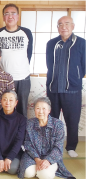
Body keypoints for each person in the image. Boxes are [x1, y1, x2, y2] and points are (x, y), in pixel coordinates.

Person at [46, 16, 86, 158]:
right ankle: (52, 145)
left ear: (73, 26)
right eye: (60, 24)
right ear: (57, 27)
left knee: (72, 120)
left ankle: (70, 147)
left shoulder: (82, 43)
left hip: (72, 89)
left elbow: (84, 66)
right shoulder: (51, 43)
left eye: (67, 24)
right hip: (54, 89)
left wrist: (75, 76)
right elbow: (49, 64)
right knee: (52, 120)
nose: (64, 26)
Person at [18, 97, 76, 179]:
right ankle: (38, 168)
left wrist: (47, 160)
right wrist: (37, 160)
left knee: (45, 175)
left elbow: (58, 147)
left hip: (50, 156)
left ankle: (46, 168)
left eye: (44, 108)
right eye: (38, 108)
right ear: (34, 110)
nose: (41, 111)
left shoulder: (58, 124)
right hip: (33, 156)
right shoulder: (29, 123)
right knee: (27, 173)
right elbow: (28, 144)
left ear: (49, 110)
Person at [0, 3, 33, 118]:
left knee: (21, 109)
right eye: (7, 14)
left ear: (18, 16)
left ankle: (21, 136)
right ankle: (5, 135)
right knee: (5, 108)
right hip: (4, 78)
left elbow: (29, 54)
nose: (10, 16)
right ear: (3, 17)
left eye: (13, 13)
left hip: (23, 78)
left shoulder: (26, 32)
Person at [0, 89, 26, 175]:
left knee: (12, 169)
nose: (7, 102)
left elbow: (19, 141)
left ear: (16, 102)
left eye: (11, 100)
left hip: (13, 152)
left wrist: (10, 157)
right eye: (5, 99)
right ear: (1, 101)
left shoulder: (22, 119)